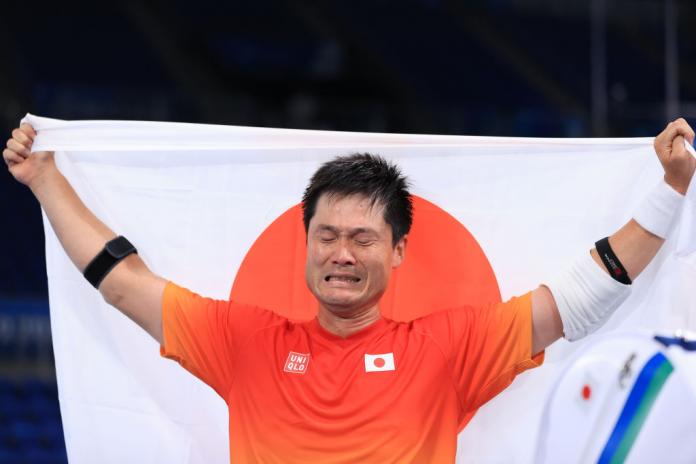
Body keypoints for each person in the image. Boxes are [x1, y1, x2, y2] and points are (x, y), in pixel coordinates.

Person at [3, 118, 695, 463]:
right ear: (304, 244)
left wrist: (670, 193)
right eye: (326, 235)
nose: (340, 253)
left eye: (362, 238)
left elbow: (581, 297)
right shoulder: (247, 343)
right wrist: (46, 180)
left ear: (397, 251)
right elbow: (122, 285)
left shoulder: (449, 347)